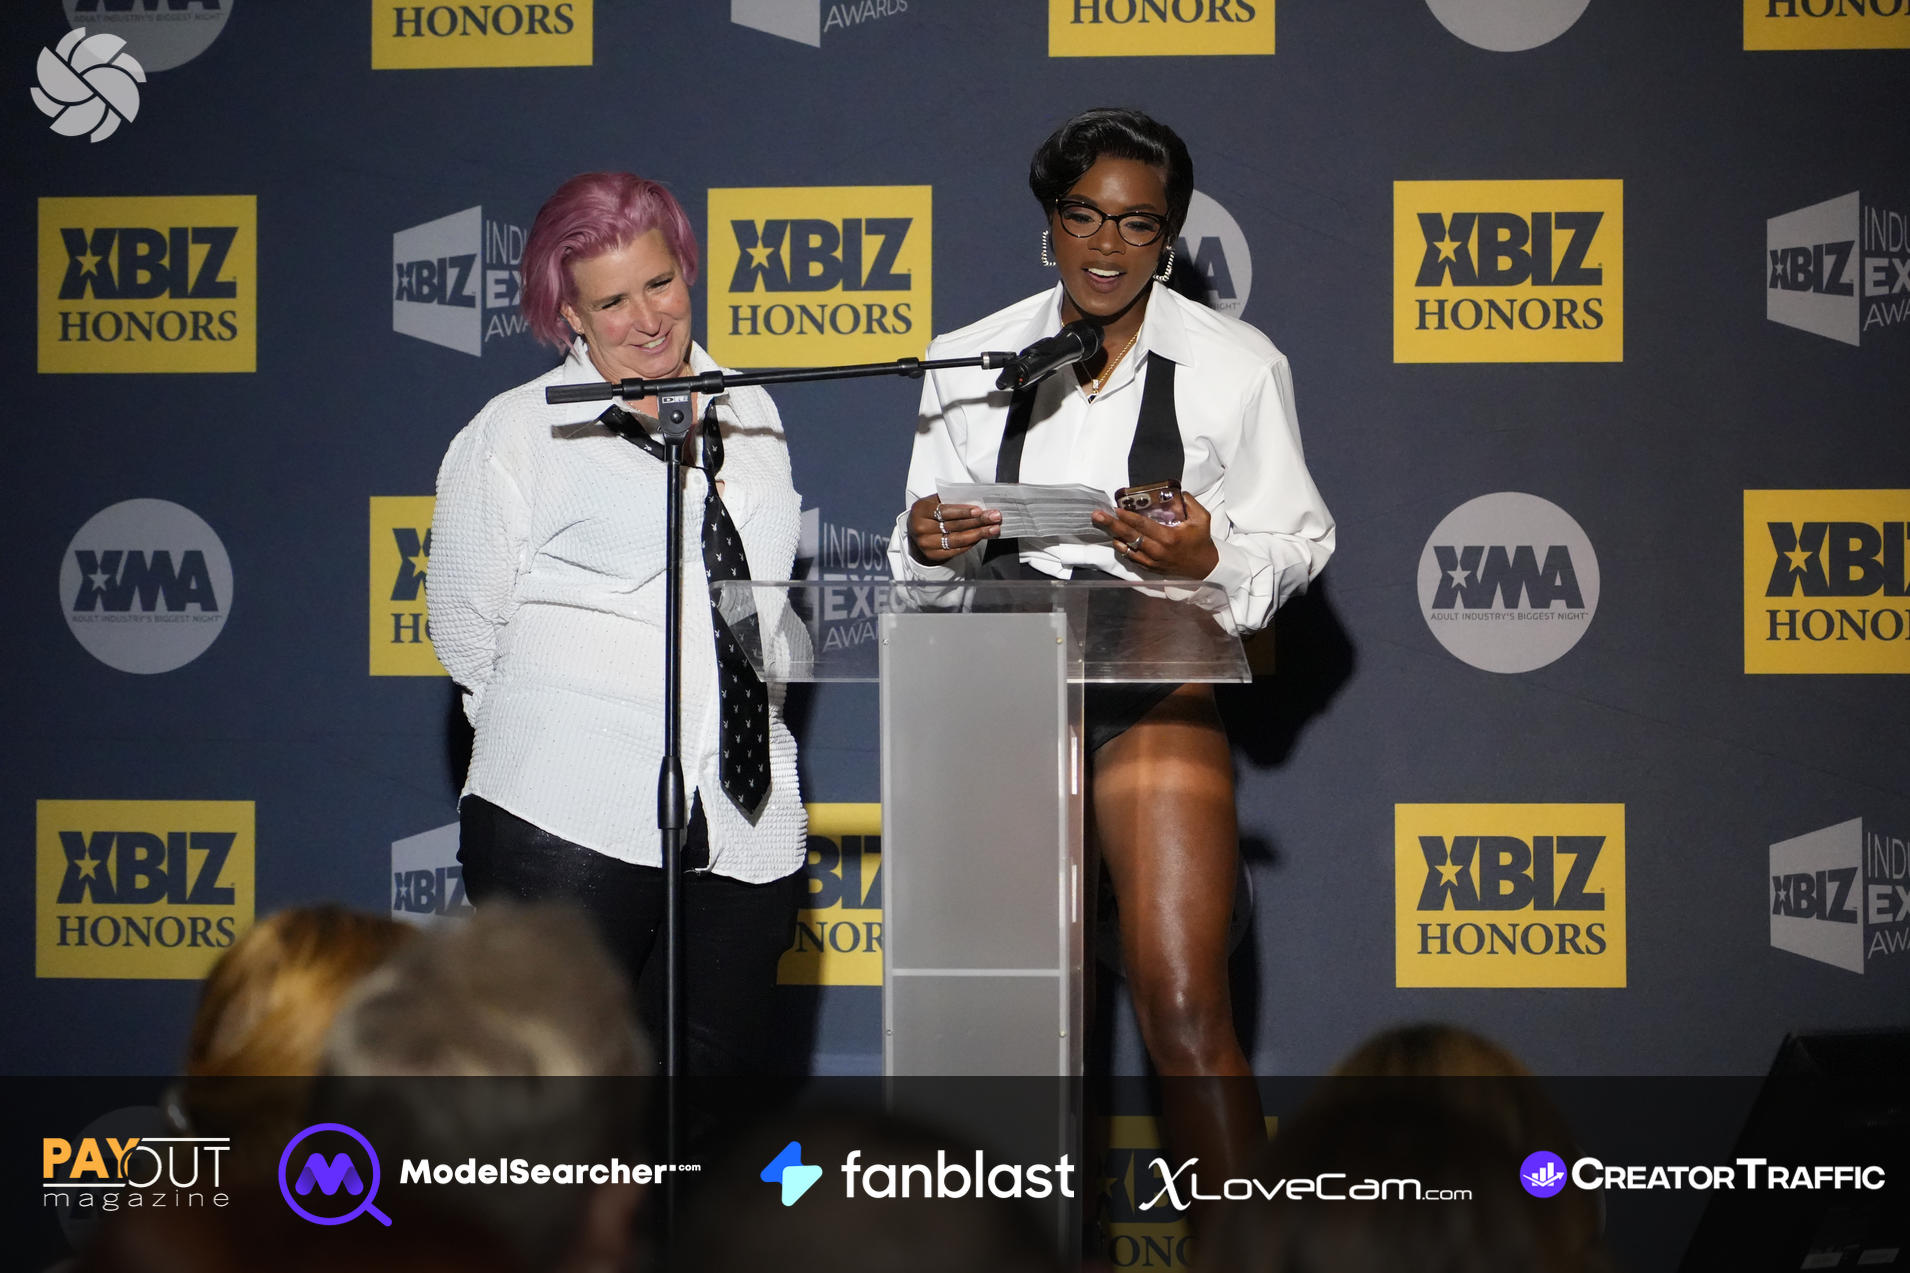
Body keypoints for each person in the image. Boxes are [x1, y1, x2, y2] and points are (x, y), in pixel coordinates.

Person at [888, 109, 1334, 1188]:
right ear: (1048, 222)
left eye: (1138, 224)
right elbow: (917, 562)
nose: (1105, 244)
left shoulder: (1236, 365)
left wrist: (1208, 556)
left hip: (1154, 671)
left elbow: (1299, 540)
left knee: (1182, 1005)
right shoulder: (968, 357)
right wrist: (927, 541)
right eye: (1082, 214)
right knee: (1018, 1035)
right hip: (1001, 682)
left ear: (1168, 237)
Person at [430, 172, 807, 1076]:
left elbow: (762, 597)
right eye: (612, 302)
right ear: (570, 315)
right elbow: (467, 630)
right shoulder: (517, 432)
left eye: (660, 283)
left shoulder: (752, 407)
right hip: (565, 813)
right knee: (560, 1112)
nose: (647, 320)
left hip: (743, 820)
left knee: (710, 1112)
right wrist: (576, 721)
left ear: (687, 270)